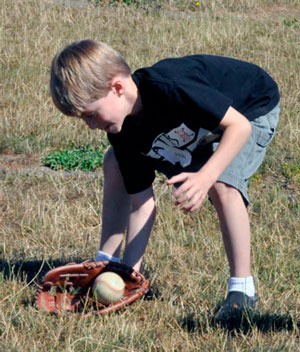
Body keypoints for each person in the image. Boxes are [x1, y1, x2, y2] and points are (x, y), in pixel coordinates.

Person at [50, 39, 280, 322]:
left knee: (222, 184)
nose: (91, 125)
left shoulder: (171, 87)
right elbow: (141, 203)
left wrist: (205, 176)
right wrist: (128, 276)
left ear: (117, 88)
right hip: (200, 126)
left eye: (90, 114)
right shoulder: (122, 131)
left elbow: (239, 126)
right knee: (115, 163)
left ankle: (242, 291)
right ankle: (107, 262)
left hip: (250, 108)